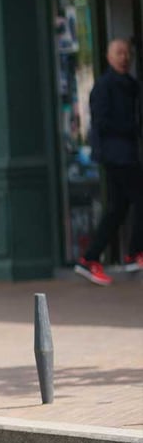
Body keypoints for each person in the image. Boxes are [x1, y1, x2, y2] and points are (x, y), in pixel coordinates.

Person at [74, 37, 143, 286]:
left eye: (127, 53)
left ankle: (89, 258)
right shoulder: (105, 86)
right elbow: (101, 123)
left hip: (126, 154)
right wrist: (131, 129)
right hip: (117, 156)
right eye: (119, 53)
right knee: (138, 200)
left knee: (117, 209)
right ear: (108, 57)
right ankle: (135, 253)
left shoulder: (131, 85)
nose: (124, 57)